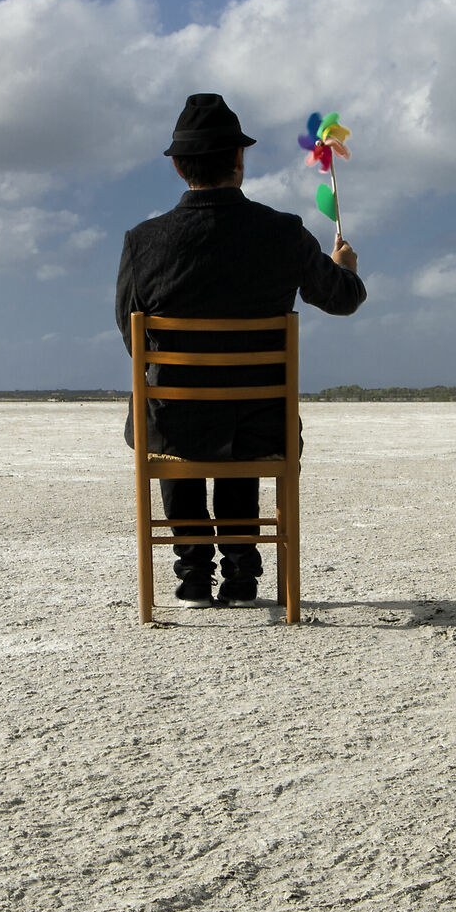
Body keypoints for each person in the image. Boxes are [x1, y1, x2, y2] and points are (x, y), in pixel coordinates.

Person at [115, 93, 366, 606]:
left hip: (174, 423)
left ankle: (192, 575)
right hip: (262, 424)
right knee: (243, 413)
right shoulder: (283, 232)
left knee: (176, 410)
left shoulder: (143, 242)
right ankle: (241, 574)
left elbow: (130, 336)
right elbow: (342, 300)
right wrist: (345, 268)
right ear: (239, 159)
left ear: (178, 166)